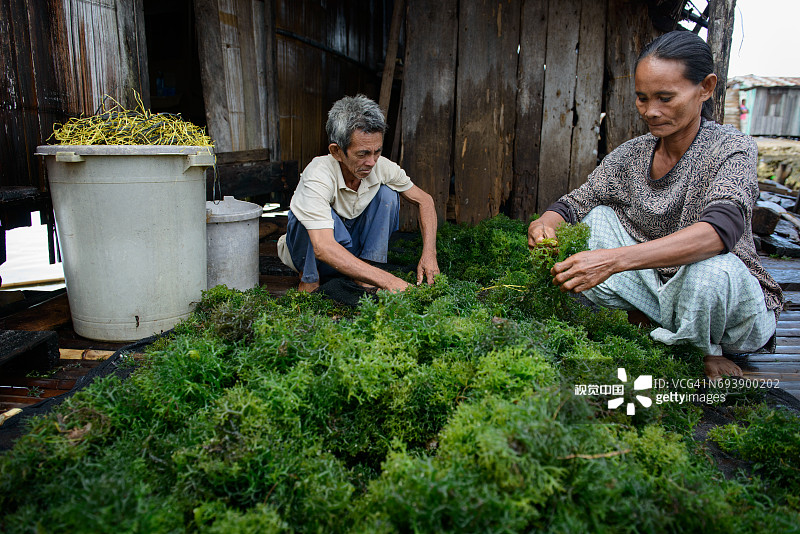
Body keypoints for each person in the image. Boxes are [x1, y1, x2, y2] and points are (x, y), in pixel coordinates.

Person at [527, 31, 783, 381]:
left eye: (665, 97)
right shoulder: (632, 154)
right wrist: (545, 224)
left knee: (709, 268)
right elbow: (574, 204)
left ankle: (702, 348)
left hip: (727, 308)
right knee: (597, 218)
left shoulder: (731, 148)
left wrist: (613, 261)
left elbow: (719, 233)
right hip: (661, 291)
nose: (651, 111)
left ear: (705, 88)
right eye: (642, 98)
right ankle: (657, 321)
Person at [277, 94, 440, 293]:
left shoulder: (380, 166)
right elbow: (323, 247)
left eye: (377, 151)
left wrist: (429, 254)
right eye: (362, 154)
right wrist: (388, 281)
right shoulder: (318, 174)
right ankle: (309, 278)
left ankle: (366, 271)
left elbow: (425, 200)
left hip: (349, 247)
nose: (372, 162)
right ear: (337, 151)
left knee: (388, 195)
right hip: (311, 251)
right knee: (306, 217)